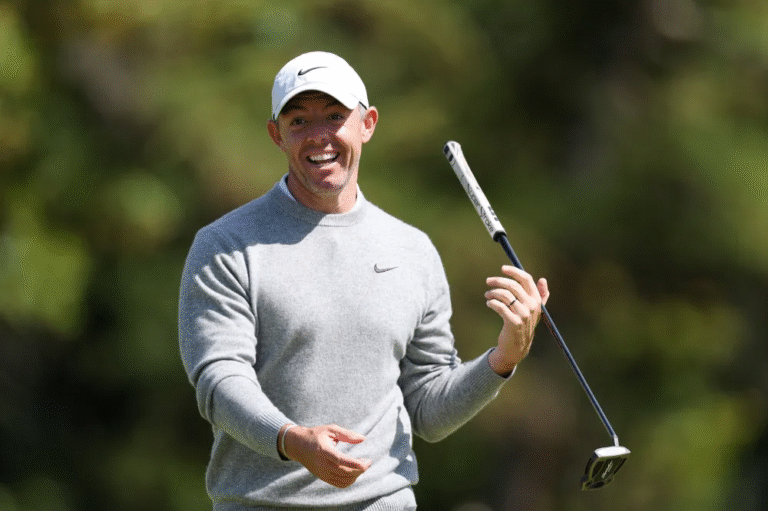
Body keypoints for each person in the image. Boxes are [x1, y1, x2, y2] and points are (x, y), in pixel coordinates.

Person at [178, 51, 549, 510]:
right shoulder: (226, 245)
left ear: (367, 123)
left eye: (335, 116)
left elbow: (429, 410)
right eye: (299, 121)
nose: (319, 137)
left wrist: (503, 358)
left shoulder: (412, 250)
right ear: (276, 135)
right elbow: (219, 381)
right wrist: (291, 440)